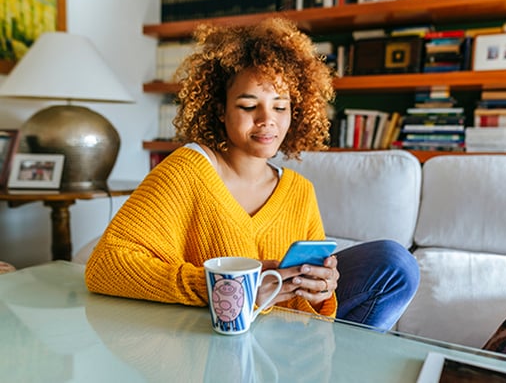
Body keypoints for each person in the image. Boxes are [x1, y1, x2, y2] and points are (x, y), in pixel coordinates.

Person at [85, 17, 419, 331]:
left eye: (280, 106)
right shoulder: (185, 171)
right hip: (211, 339)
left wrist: (322, 290)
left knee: (394, 264)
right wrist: (229, 290)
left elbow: (313, 306)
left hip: (286, 344)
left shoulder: (299, 191)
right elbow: (104, 267)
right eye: (248, 106)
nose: (267, 120)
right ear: (220, 108)